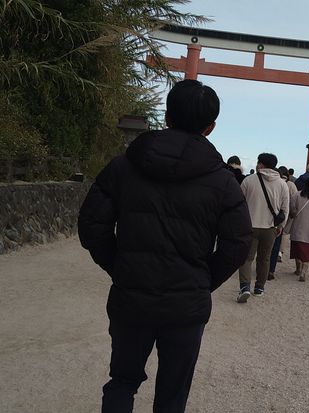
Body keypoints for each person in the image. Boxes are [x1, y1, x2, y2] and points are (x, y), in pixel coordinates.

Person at [78, 80, 253, 413]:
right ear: (210, 127)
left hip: (131, 296)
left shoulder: (124, 166)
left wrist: (119, 265)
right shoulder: (223, 182)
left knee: (122, 381)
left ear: (167, 116)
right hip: (186, 305)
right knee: (173, 394)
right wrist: (203, 280)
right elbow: (238, 243)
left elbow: (91, 225)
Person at [238, 153, 289, 302]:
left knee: (246, 258)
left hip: (250, 225)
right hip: (270, 227)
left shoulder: (249, 181)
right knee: (264, 259)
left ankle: (245, 287)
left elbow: (239, 203)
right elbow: (285, 209)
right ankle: (259, 287)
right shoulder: (282, 184)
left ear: (260, 164)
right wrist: (281, 226)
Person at [268, 166, 298, 280]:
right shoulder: (289, 185)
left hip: (268, 218)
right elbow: (292, 201)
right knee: (280, 239)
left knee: (265, 247)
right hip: (282, 216)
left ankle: (263, 268)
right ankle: (272, 268)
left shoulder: (270, 184)